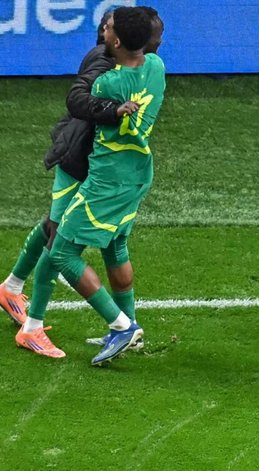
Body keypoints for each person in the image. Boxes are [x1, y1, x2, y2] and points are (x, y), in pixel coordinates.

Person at [6, 9, 150, 358]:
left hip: (97, 167)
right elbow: (77, 99)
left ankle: (11, 288)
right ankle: (32, 328)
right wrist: (112, 110)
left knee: (56, 228)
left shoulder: (139, 65)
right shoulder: (102, 62)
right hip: (77, 162)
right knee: (58, 237)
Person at [38, 7, 163, 366]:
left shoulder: (107, 83)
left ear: (117, 40)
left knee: (62, 253)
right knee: (115, 244)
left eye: (108, 28)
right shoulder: (157, 69)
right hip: (138, 174)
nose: (103, 29)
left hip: (106, 181)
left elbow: (80, 101)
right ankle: (131, 322)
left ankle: (121, 326)